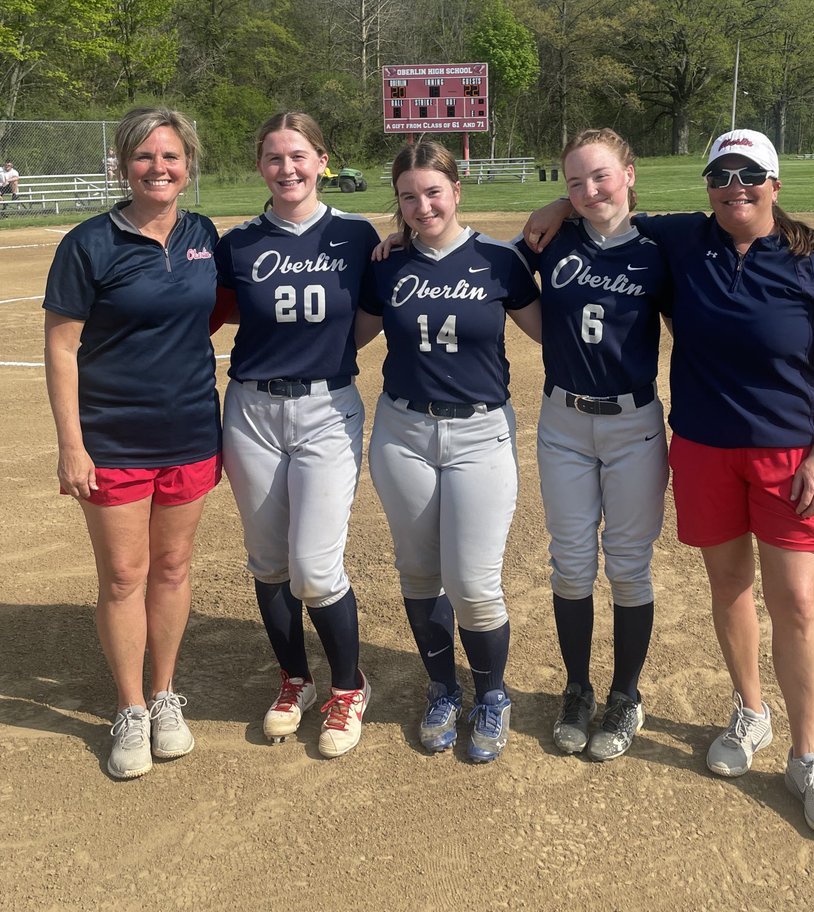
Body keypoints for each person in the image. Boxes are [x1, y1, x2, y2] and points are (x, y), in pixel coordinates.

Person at [525, 128, 814, 836]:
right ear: (707, 185)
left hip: (787, 456)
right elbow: (609, 208)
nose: (734, 187)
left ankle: (807, 755)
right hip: (704, 447)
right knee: (729, 588)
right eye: (721, 175)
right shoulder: (684, 240)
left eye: (749, 174)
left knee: (796, 602)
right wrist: (561, 201)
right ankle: (750, 714)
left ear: (774, 183)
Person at [43, 106, 221, 780]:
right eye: (144, 156)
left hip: (191, 432)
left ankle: (163, 695)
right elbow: (62, 349)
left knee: (172, 568)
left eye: (171, 156)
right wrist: (72, 445)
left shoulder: (204, 234)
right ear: (123, 165)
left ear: (188, 164)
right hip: (113, 438)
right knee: (123, 575)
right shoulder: (88, 244)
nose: (158, 168)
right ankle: (130, 708)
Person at [357, 142, 541, 763]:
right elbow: (345, 337)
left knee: (474, 583)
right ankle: (442, 687)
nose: (422, 206)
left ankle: (492, 694)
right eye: (408, 196)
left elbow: (555, 331)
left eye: (433, 191)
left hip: (480, 434)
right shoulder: (387, 264)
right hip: (403, 432)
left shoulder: (499, 261)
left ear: (457, 191)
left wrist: (564, 209)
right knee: (418, 570)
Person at [214, 111, 379, 758]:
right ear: (260, 165)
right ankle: (295, 681)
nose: (288, 169)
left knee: (314, 566)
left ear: (322, 161)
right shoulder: (238, 243)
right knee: (268, 560)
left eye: (299, 156)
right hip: (251, 411)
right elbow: (204, 315)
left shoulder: (357, 235)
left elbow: (375, 308)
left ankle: (349, 687)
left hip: (326, 410)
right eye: (274, 158)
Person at [515, 128, 671, 760]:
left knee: (629, 564)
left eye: (600, 175)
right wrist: (555, 209)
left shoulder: (661, 246)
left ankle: (625, 694)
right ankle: (577, 688)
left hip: (634, 424)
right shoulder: (554, 239)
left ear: (629, 173)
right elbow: (484, 269)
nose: (588, 190)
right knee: (572, 561)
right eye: (574, 182)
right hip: (563, 423)